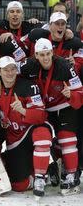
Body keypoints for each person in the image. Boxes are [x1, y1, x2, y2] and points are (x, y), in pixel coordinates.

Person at [19, 38, 83, 195]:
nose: (46, 58)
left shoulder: (65, 66)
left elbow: (80, 91)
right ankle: (53, 166)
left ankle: (71, 174)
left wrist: (71, 94)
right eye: (42, 55)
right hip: (45, 109)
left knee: (66, 138)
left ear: (52, 53)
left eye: (48, 54)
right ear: (36, 55)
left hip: (64, 106)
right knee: (45, 138)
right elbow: (12, 74)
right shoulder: (28, 66)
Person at [0, 56, 51, 197]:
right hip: (14, 142)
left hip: (29, 134)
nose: (10, 73)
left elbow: (41, 116)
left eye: (13, 69)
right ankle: (46, 171)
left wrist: (23, 111)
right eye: (6, 70)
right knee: (19, 186)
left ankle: (40, 177)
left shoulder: (28, 86)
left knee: (42, 131)